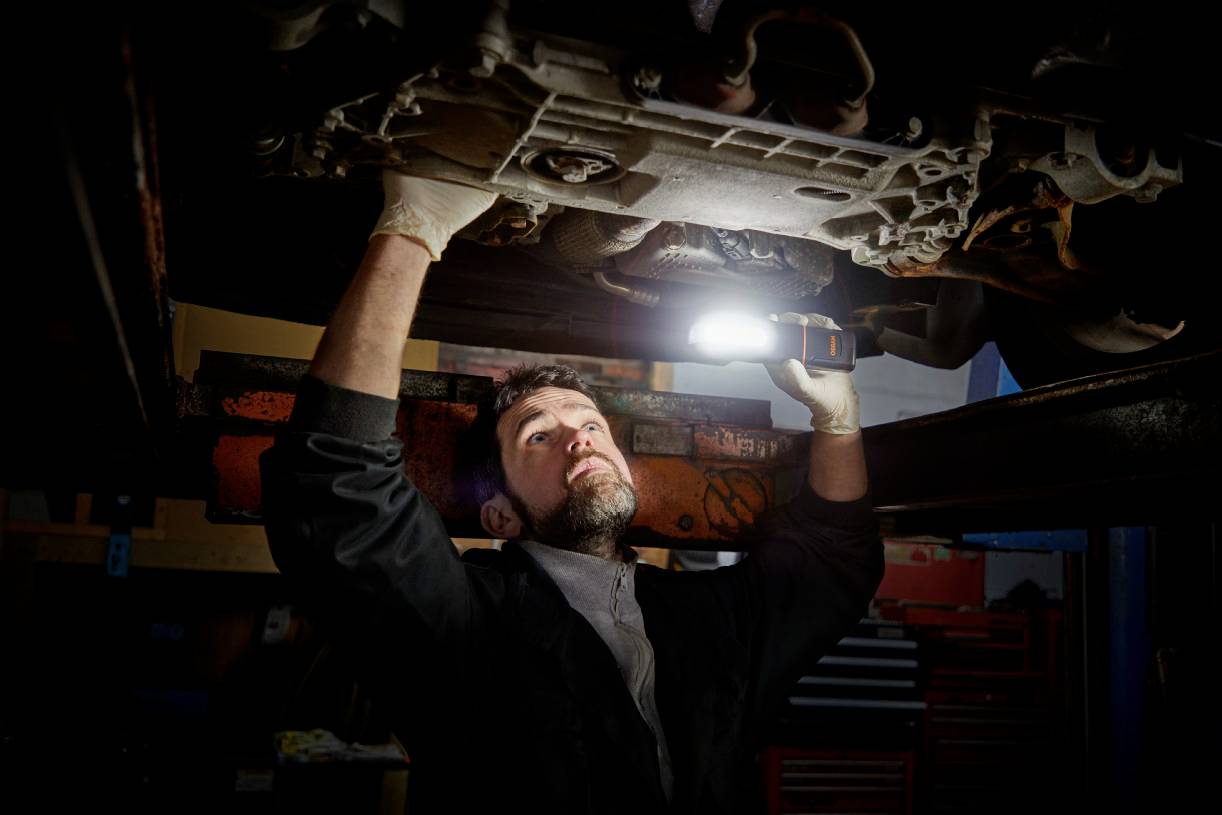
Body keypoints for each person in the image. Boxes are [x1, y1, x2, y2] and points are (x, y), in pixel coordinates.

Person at [259, 171, 883, 814]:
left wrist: (836, 420)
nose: (580, 440)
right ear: (499, 514)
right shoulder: (470, 624)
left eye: (591, 426)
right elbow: (338, 486)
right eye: (538, 436)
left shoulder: (703, 619)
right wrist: (415, 226)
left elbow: (829, 572)